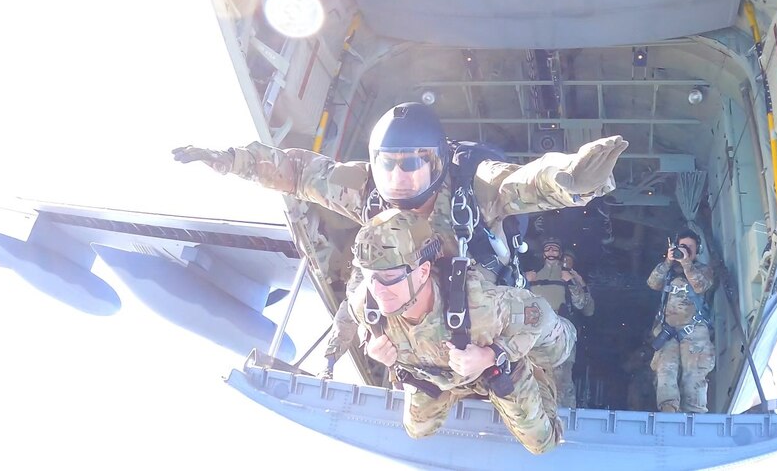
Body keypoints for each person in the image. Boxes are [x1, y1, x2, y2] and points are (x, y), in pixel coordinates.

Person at [172, 102, 628, 285]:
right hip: (409, 315)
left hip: (482, 304)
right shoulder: (366, 192)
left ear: (439, 161)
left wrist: (573, 179)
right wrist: (228, 160)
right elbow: (296, 171)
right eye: (387, 164)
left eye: (413, 163)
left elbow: (526, 184)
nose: (400, 177)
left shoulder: (475, 186)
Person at [349, 209, 575, 454]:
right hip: (434, 375)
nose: (377, 289)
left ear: (423, 271)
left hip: (494, 370)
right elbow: (359, 321)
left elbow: (540, 313)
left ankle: (540, 379)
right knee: (417, 430)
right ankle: (457, 391)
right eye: (369, 276)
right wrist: (371, 343)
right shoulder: (366, 303)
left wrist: (491, 355)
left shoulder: (479, 306)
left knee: (542, 443)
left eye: (389, 277)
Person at [645, 229, 716, 413]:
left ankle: (694, 417)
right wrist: (668, 261)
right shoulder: (668, 272)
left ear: (697, 250)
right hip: (668, 332)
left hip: (694, 332)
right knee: (665, 371)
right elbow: (652, 283)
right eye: (682, 246)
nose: (685, 250)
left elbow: (701, 286)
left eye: (690, 248)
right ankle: (668, 412)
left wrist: (686, 264)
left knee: (694, 375)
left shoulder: (703, 270)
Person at [525, 239, 594, 408]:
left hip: (561, 334)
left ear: (560, 254)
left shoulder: (569, 276)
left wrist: (571, 281)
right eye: (547, 248)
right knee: (529, 377)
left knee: (562, 382)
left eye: (555, 249)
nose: (550, 251)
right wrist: (525, 281)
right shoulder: (533, 275)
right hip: (534, 332)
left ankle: (566, 420)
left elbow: (582, 305)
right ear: (543, 254)